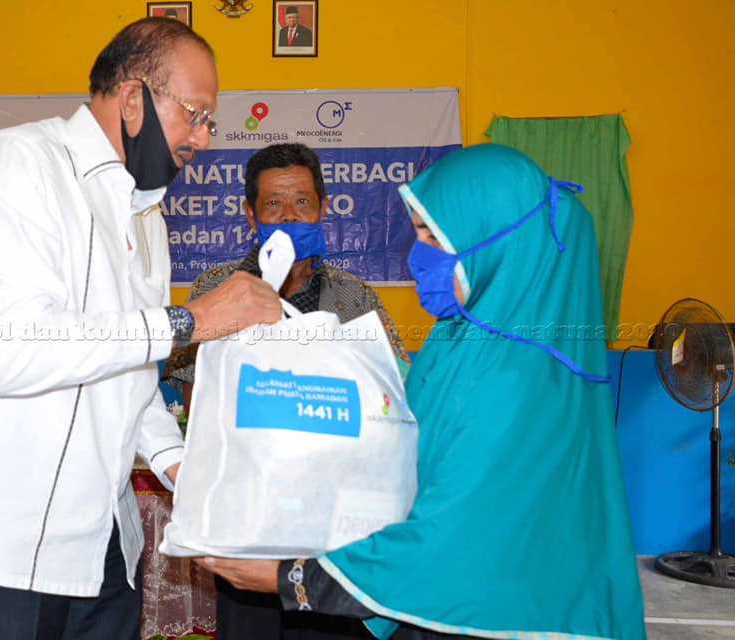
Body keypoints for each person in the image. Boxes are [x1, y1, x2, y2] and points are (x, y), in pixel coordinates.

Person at [0, 17, 281, 640]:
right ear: (133, 98)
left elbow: (127, 376)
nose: (203, 138)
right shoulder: (21, 162)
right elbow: (16, 351)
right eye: (194, 113)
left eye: (211, 121)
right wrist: (194, 320)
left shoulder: (147, 215)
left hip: (102, 546)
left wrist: (182, 467)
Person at [200, 144, 648, 640]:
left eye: (434, 235)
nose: (419, 254)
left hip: (478, 611)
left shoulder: (517, 379)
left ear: (493, 241)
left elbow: (446, 540)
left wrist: (294, 579)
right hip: (378, 569)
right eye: (417, 233)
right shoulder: (461, 337)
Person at [162, 142, 410, 640]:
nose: (289, 215)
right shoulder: (216, 289)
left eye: (302, 202)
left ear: (322, 206)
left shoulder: (354, 296)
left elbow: (393, 396)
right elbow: (194, 399)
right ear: (250, 214)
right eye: (273, 204)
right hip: (247, 526)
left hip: (335, 534)